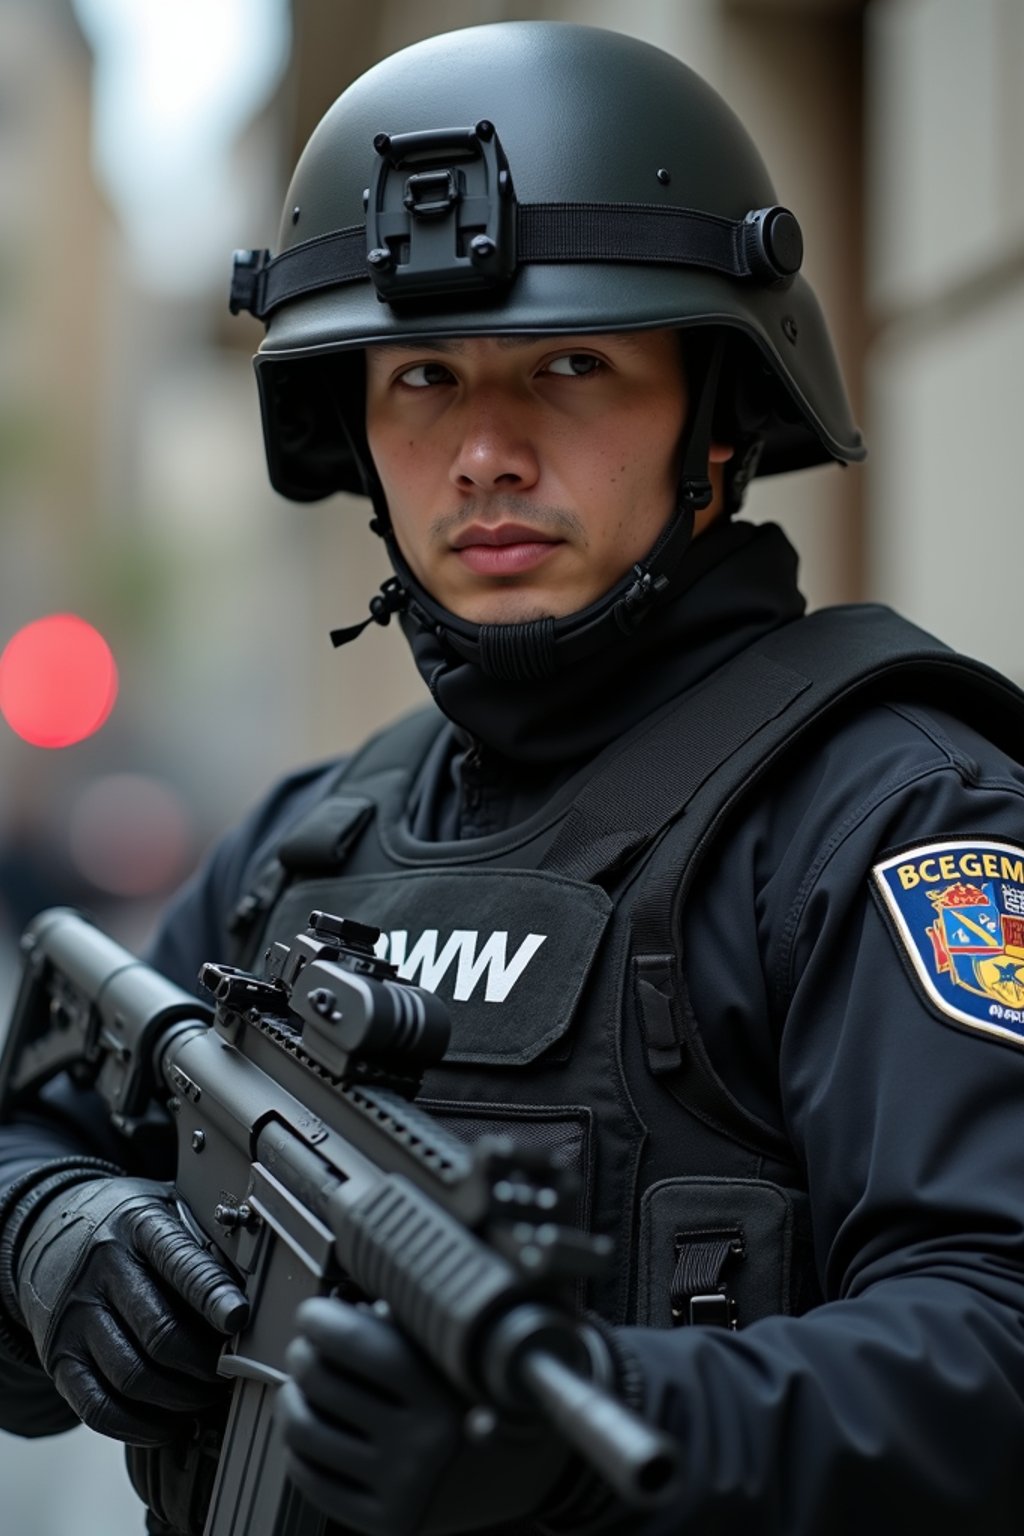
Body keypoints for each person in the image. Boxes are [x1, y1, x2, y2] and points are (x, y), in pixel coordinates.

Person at [2, 19, 1024, 1536]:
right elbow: (38, 1129)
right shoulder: (307, 841)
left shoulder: (890, 818)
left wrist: (587, 1434)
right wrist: (60, 1233)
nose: (484, 449)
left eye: (570, 362)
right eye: (421, 375)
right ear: (354, 429)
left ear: (718, 420)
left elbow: (994, 1342)